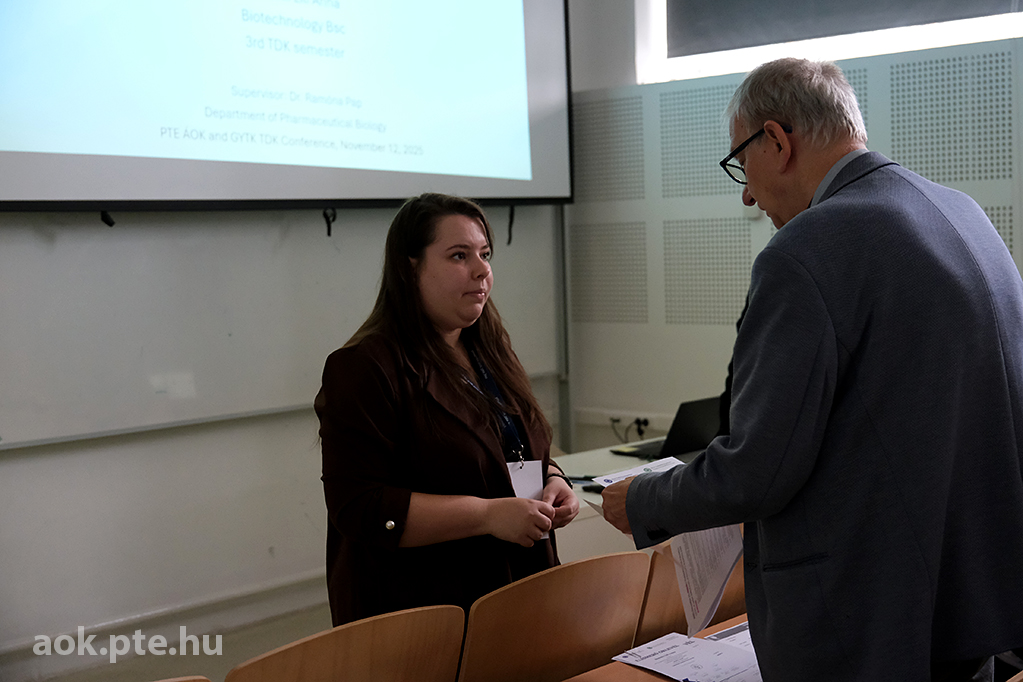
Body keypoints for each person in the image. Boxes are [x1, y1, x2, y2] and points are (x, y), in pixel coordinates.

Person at [601, 58, 1023, 681]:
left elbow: (758, 469)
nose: (747, 194)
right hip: (969, 606)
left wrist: (642, 498)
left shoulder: (805, 250)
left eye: (741, 163)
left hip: (861, 621)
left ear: (777, 140)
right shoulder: (963, 215)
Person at [315, 192, 578, 626]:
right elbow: (361, 507)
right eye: (459, 255)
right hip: (425, 609)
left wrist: (554, 480)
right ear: (410, 268)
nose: (481, 270)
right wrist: (487, 515)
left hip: (519, 582)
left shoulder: (491, 350)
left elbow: (515, 449)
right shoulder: (364, 367)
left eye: (485, 254)